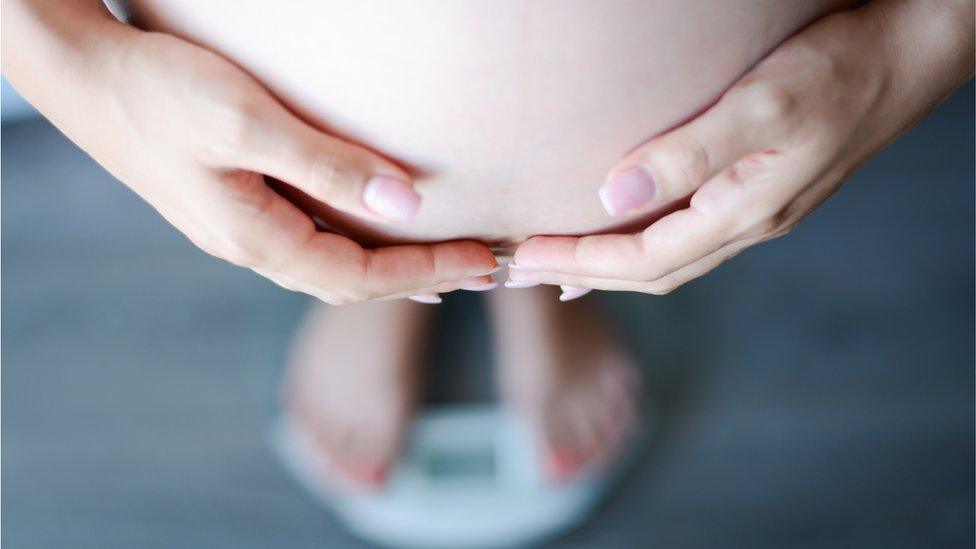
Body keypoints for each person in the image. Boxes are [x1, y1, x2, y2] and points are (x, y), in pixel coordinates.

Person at [3, 0, 972, 489]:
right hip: (272, 119)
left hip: (694, 145)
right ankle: (390, 273)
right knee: (311, 214)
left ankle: (525, 279)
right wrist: (59, 51)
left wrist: (931, 36)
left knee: (348, 208)